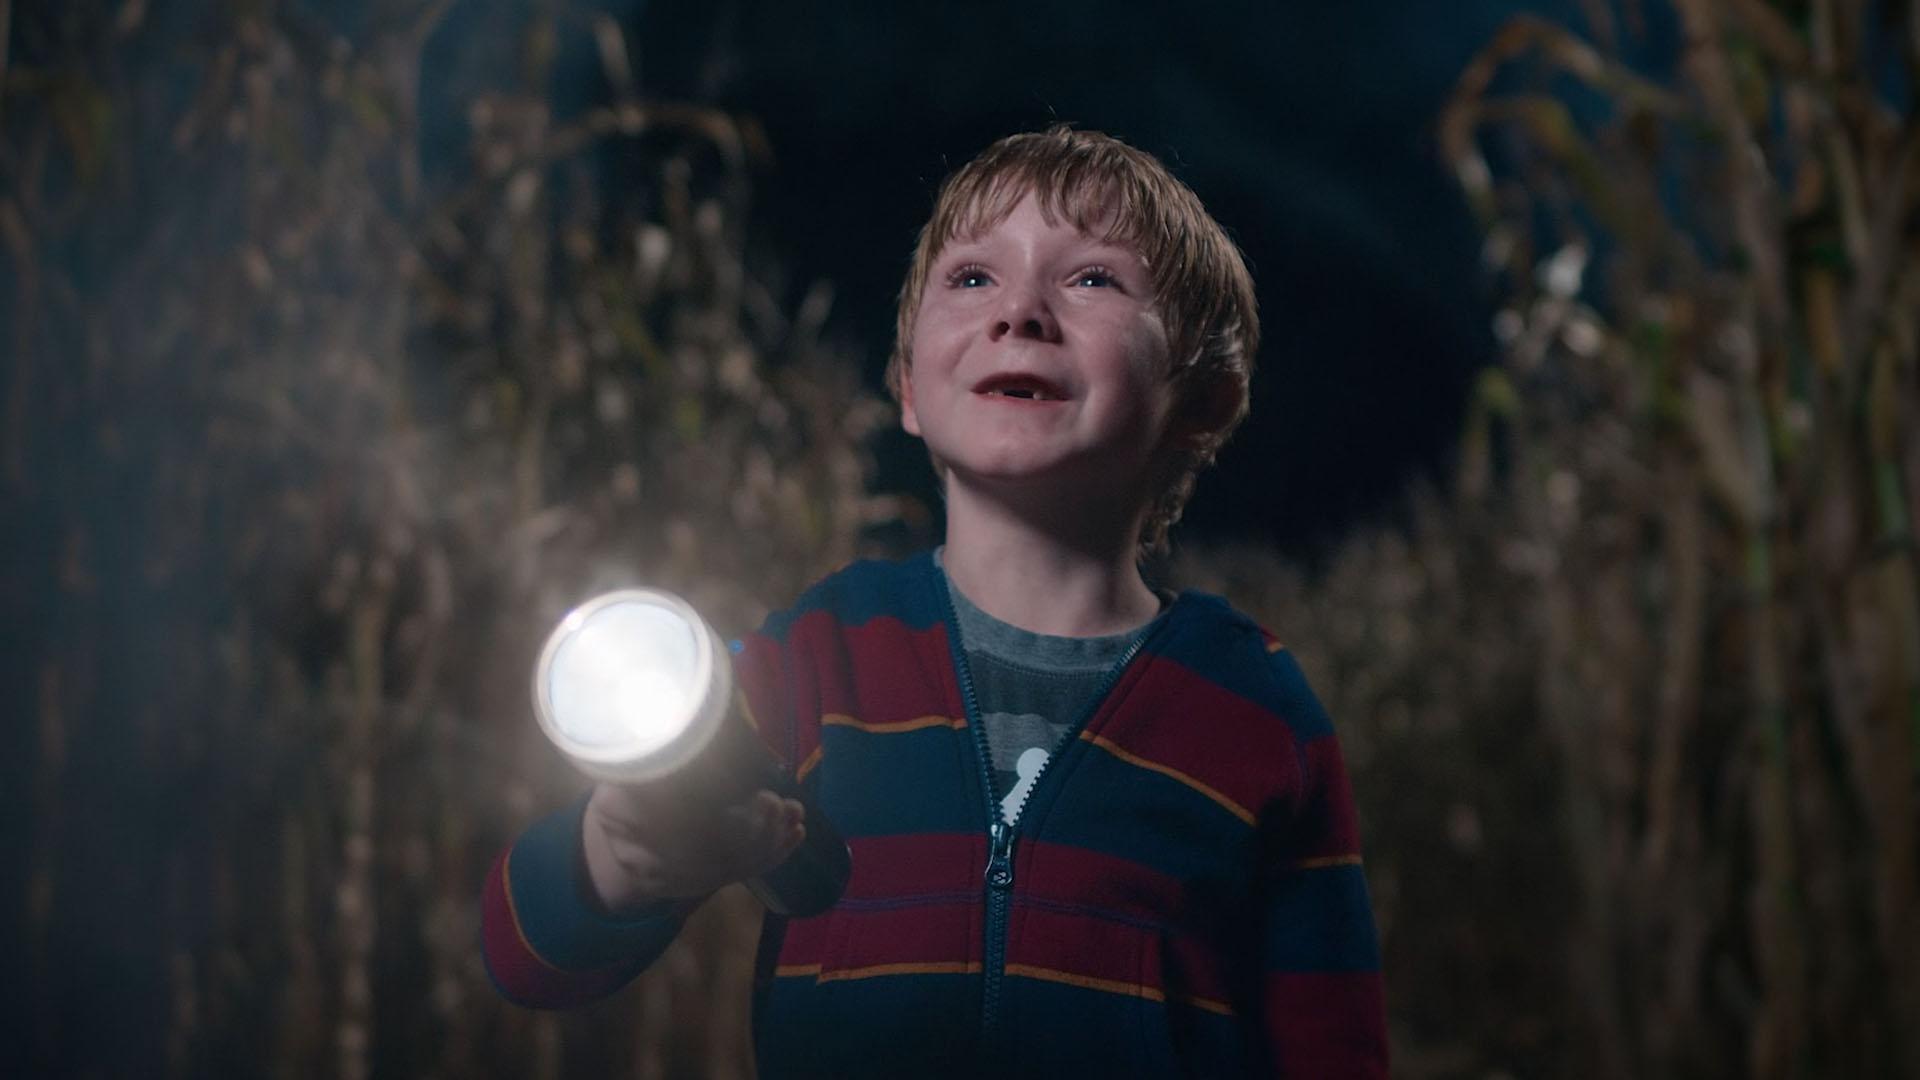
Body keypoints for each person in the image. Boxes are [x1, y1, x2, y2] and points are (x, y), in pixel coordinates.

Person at [481, 126, 1388, 1077]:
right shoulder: (821, 652)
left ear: (1201, 401)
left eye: (1092, 280)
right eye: (970, 279)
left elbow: (1335, 1047)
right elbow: (523, 957)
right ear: (909, 388)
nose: (1021, 311)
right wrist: (620, 856)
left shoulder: (1255, 708)